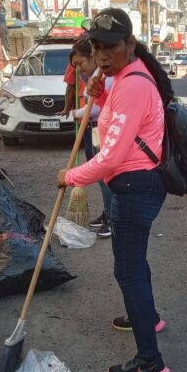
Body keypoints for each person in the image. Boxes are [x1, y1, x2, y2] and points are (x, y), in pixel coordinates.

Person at [56, 8, 172, 372]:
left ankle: (149, 362)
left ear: (130, 45)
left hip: (135, 187)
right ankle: (148, 317)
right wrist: (101, 93)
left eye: (110, 48)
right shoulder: (123, 77)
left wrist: (71, 177)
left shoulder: (135, 83)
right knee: (135, 264)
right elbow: (118, 119)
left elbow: (112, 156)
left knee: (128, 270)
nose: (102, 56)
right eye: (97, 47)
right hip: (135, 185)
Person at [69, 37, 115, 238]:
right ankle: (108, 214)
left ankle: (113, 219)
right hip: (96, 130)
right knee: (102, 178)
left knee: (105, 178)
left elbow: (97, 107)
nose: (79, 68)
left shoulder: (107, 78)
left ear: (92, 56)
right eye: (75, 66)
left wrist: (77, 114)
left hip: (104, 133)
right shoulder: (94, 77)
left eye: (80, 63)